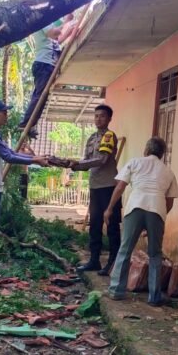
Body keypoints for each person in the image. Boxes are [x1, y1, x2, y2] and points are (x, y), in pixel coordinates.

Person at [104, 137, 178, 307]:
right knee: (155, 254)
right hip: (157, 209)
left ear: (146, 150)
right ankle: (154, 296)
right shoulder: (168, 171)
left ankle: (116, 290)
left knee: (125, 249)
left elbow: (120, 187)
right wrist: (159, 216)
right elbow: (170, 202)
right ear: (162, 154)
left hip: (135, 206)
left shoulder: (135, 162)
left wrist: (109, 208)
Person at [0, 100, 49, 268]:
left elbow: (9, 152)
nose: (7, 116)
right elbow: (8, 157)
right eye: (4, 112)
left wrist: (34, 159)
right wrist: (35, 159)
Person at [67, 105, 122, 276]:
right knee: (95, 225)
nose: (98, 119)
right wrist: (72, 165)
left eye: (102, 116)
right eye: (96, 116)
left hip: (109, 187)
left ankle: (113, 264)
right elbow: (86, 162)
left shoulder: (109, 136)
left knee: (112, 226)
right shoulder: (91, 138)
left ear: (109, 119)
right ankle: (94, 260)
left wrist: (78, 164)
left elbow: (101, 160)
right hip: (95, 187)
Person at [19, 15, 76, 137]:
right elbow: (55, 33)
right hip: (44, 64)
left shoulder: (47, 25)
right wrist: (66, 21)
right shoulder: (42, 22)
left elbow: (57, 41)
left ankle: (30, 124)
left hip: (47, 64)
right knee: (40, 96)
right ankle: (26, 123)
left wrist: (70, 33)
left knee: (42, 97)